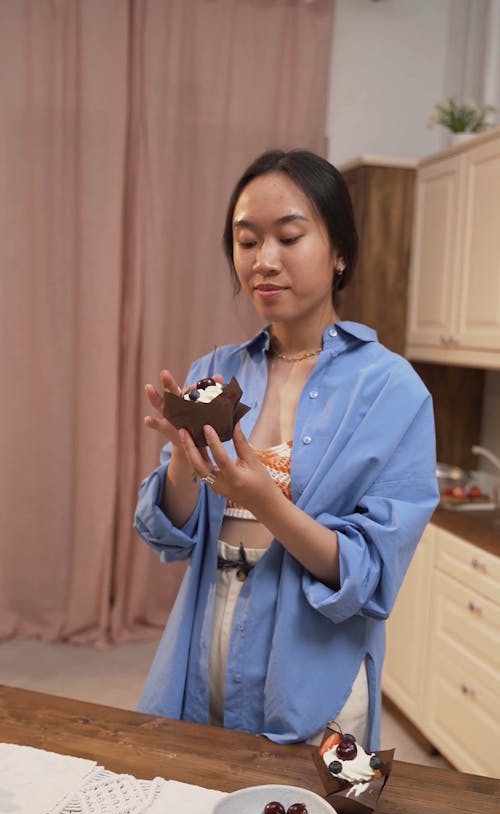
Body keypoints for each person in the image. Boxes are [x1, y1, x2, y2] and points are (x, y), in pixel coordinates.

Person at [134, 148, 439, 749]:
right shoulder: (216, 370)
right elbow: (168, 536)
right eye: (246, 243)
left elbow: (369, 576)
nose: (264, 262)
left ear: (340, 252)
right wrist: (182, 465)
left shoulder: (392, 389)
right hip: (206, 627)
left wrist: (266, 504)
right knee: (195, 805)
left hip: (315, 653)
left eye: (289, 237)